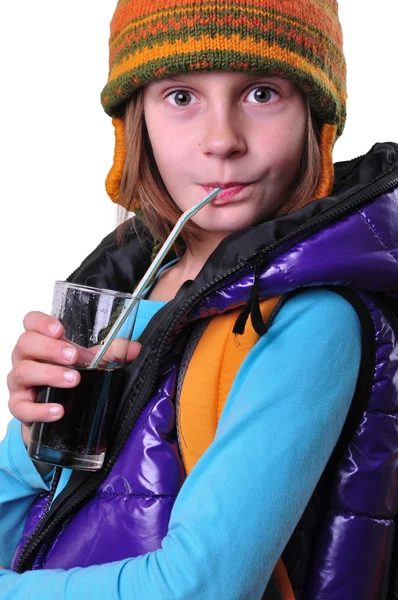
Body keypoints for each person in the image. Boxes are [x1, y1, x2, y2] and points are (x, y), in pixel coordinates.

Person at [1, 0, 398, 598]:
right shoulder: (119, 295)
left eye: (262, 93)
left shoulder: (307, 319)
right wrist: (36, 442)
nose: (222, 140)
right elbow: (22, 532)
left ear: (316, 117)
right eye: (182, 97)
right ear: (135, 121)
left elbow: (201, 585)